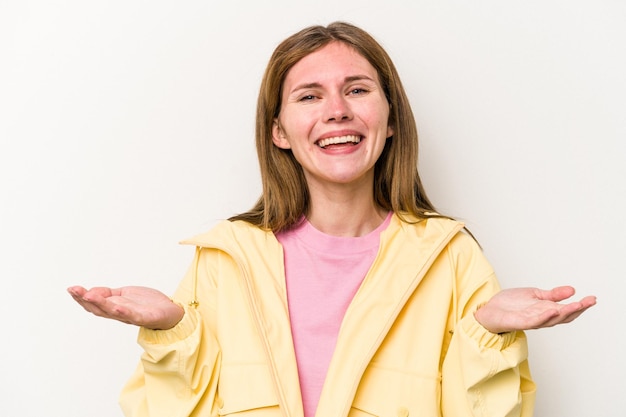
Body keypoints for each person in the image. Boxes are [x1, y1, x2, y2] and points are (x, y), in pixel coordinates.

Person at [68, 21, 596, 417]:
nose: (337, 110)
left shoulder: (452, 257)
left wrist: (486, 337)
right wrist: (172, 334)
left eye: (358, 89)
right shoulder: (225, 260)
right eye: (309, 96)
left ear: (390, 121)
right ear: (279, 131)